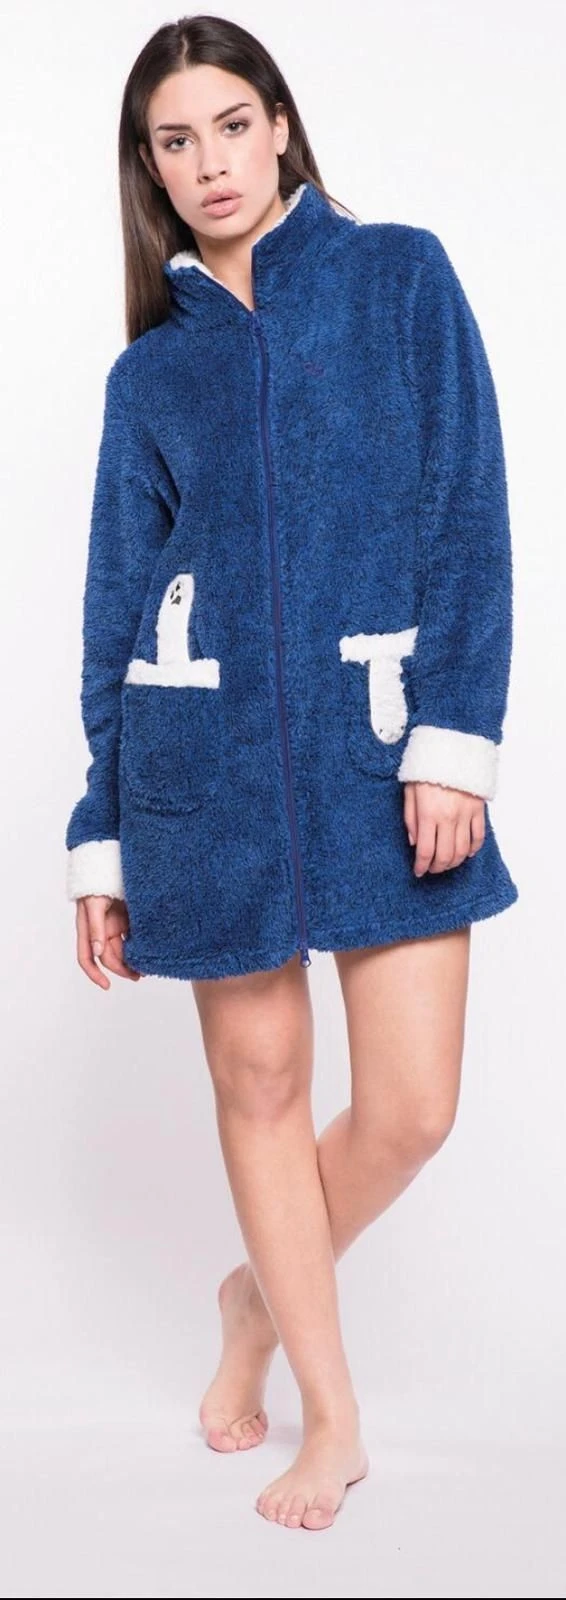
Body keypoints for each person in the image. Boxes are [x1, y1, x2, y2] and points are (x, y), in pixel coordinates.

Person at [64, 14, 519, 1531]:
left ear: (278, 126)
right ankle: (332, 1419)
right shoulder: (151, 376)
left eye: (229, 124)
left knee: (411, 1108)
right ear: (150, 169)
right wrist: (105, 832)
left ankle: (254, 1294)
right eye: (173, 141)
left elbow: (468, 516)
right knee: (260, 1092)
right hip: (204, 788)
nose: (208, 162)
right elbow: (116, 615)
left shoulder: (400, 279)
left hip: (383, 753)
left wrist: (452, 738)